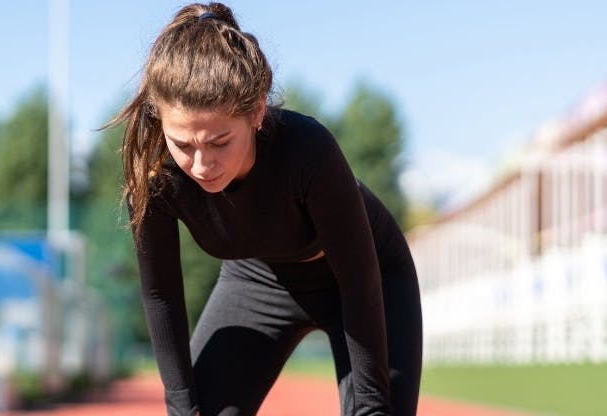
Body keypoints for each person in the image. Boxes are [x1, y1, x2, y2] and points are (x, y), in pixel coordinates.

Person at [108, 3, 422, 415]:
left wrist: (370, 407)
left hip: (366, 278)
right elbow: (161, 295)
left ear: (257, 111)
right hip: (257, 277)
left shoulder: (309, 151)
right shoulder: (154, 174)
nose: (202, 165)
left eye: (220, 141)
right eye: (183, 144)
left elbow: (360, 284)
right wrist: (182, 407)